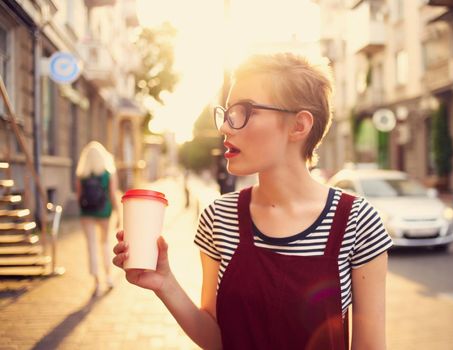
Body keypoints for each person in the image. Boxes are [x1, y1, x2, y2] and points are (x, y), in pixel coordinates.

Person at [113, 52, 392, 349]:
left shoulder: (358, 222)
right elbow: (218, 339)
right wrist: (165, 283)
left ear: (299, 126)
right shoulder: (218, 217)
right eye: (228, 112)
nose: (225, 127)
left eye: (244, 111)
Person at [76, 141, 120, 296]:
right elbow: (113, 195)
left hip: (87, 212)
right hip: (104, 211)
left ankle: (96, 282)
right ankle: (108, 277)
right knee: (105, 243)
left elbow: (79, 196)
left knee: (91, 246)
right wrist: (118, 213)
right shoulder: (108, 173)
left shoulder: (83, 175)